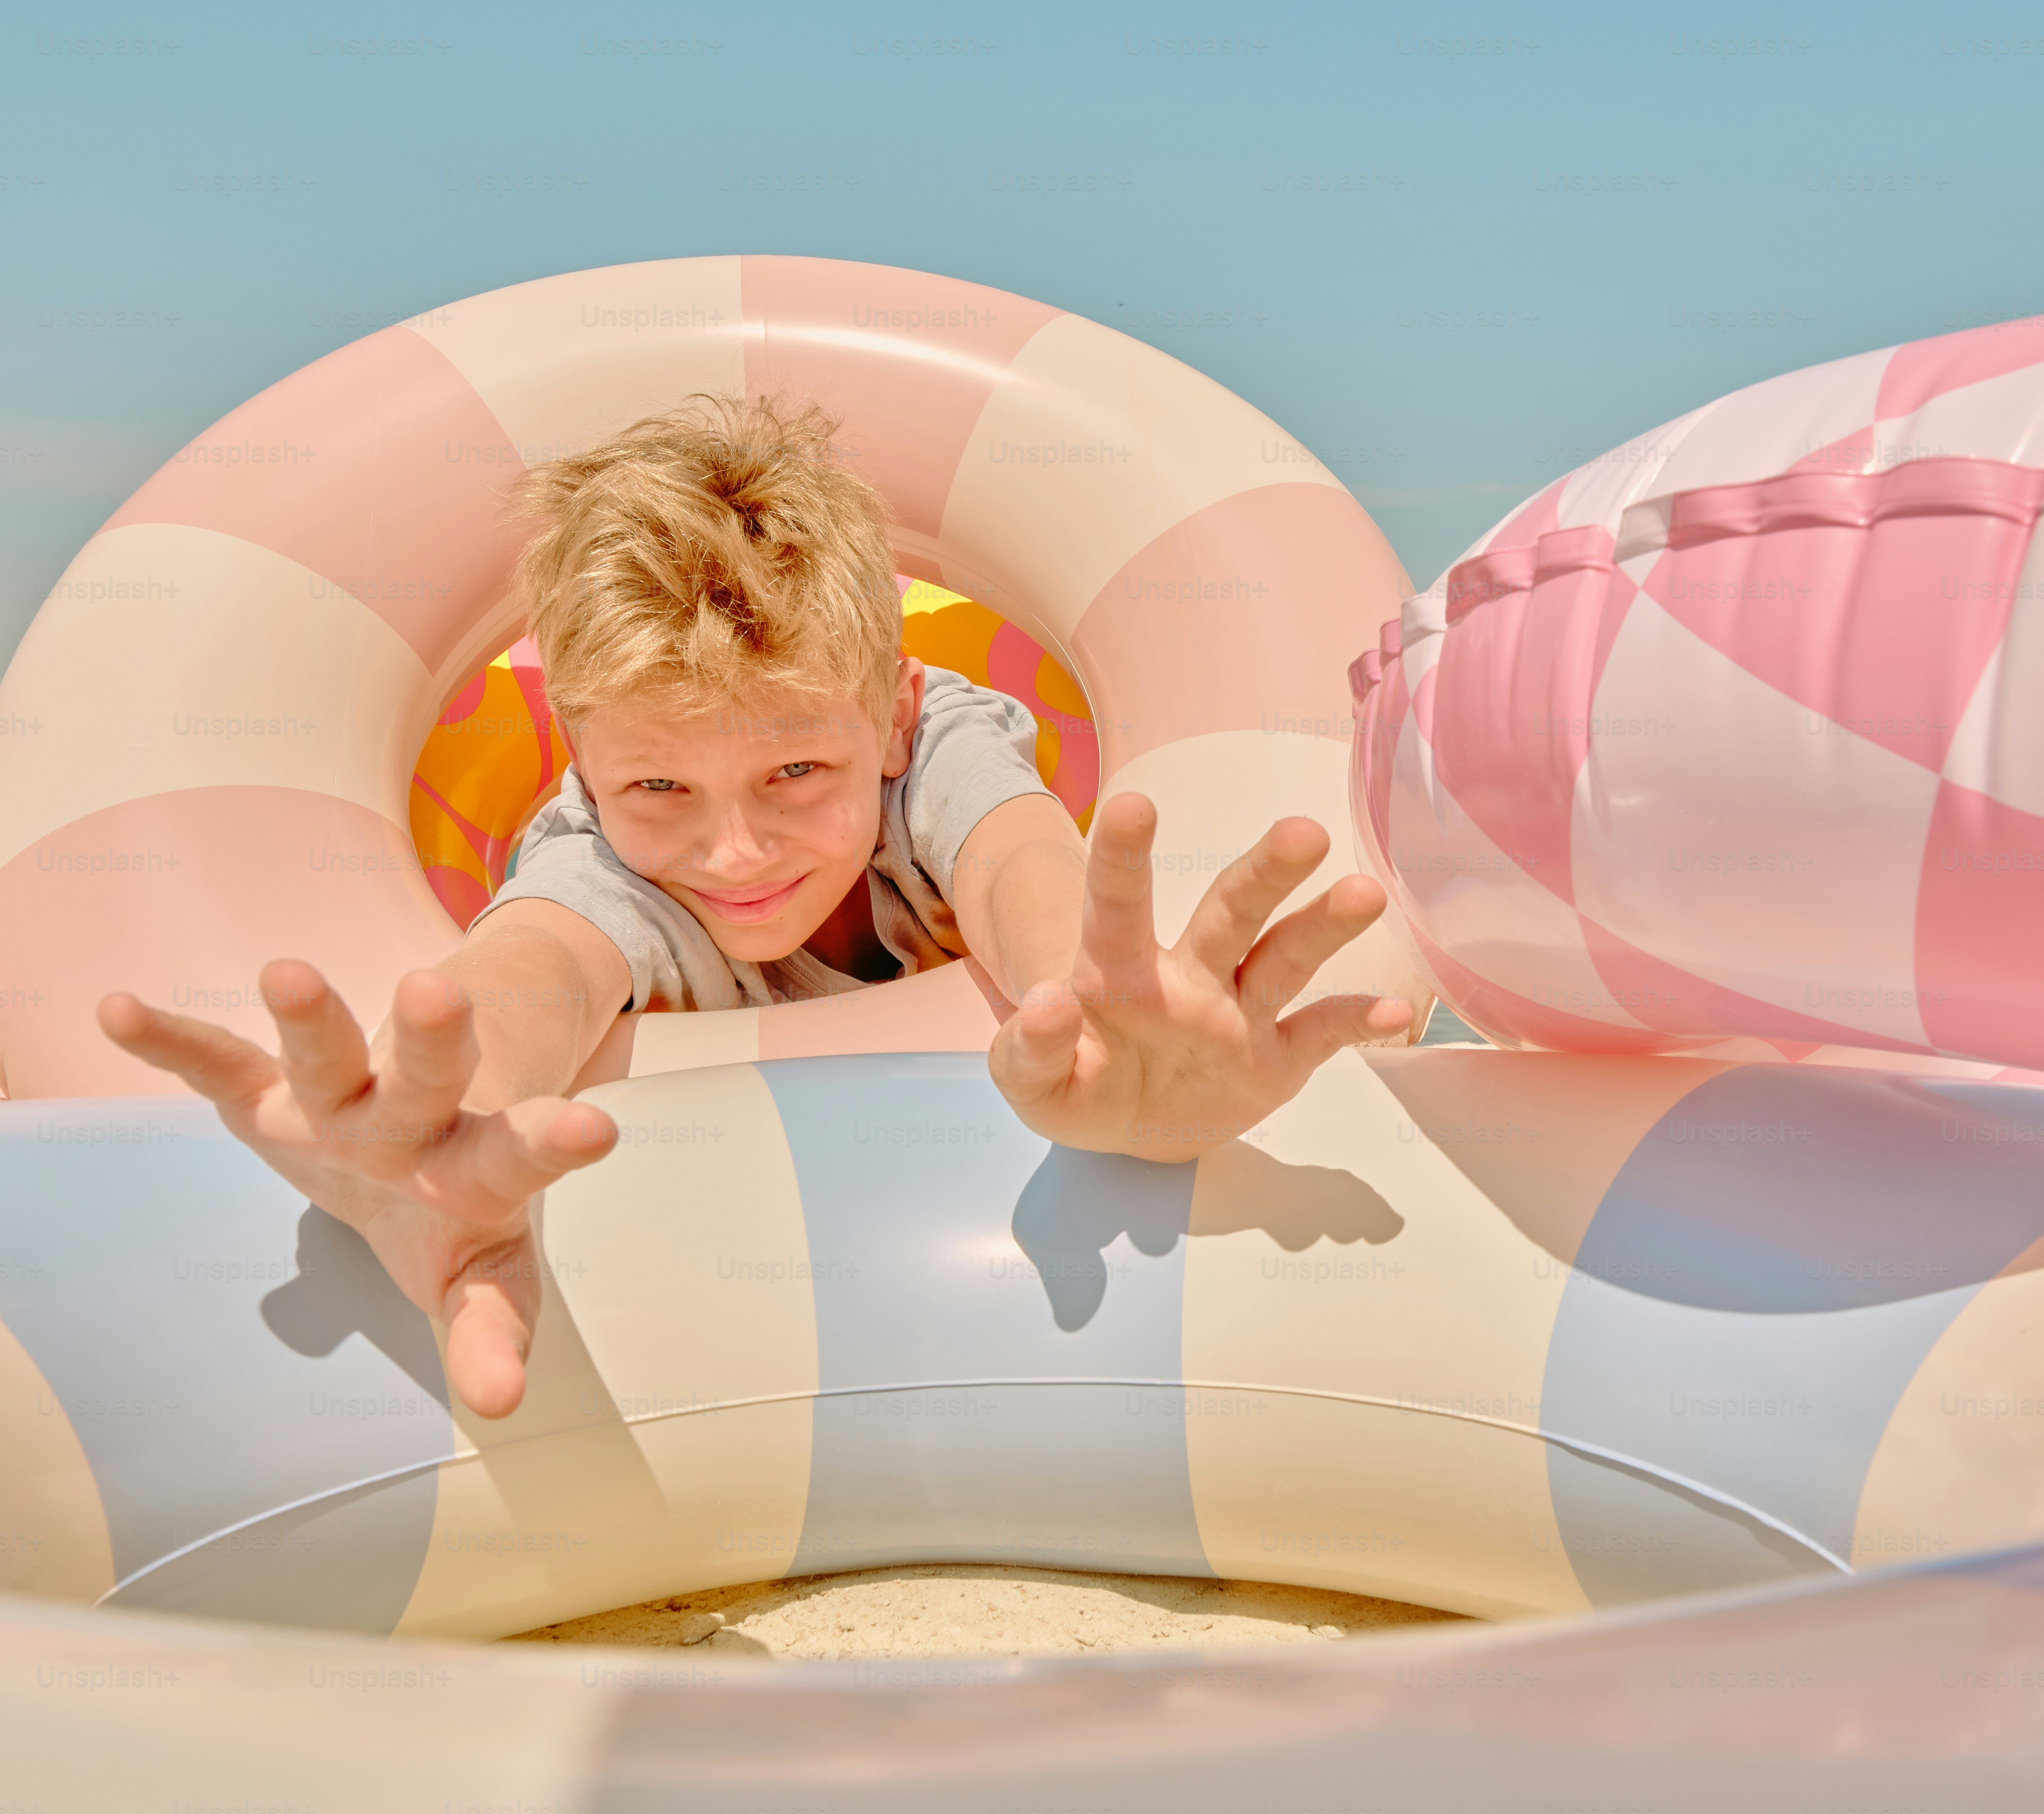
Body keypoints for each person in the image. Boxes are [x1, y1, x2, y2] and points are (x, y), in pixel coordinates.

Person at [97, 395, 1412, 1419]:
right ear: (579, 757)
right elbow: (535, 967)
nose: (732, 851)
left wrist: (1099, 1007)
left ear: (889, 717)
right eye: (659, 784)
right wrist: (438, 1123)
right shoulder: (603, 854)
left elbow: (1020, 865)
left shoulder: (937, 745)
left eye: (797, 774)